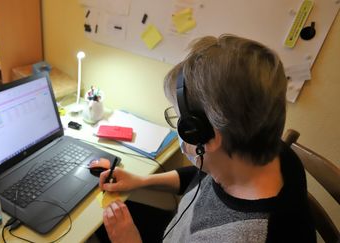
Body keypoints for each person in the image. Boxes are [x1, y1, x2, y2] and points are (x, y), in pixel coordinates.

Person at [98, 35, 316, 243]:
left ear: (207, 137)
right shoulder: (265, 152)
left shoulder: (251, 235)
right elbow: (204, 178)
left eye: (181, 120)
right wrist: (142, 181)